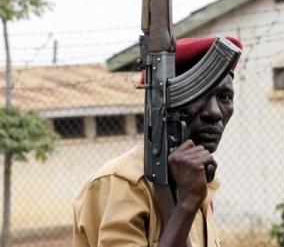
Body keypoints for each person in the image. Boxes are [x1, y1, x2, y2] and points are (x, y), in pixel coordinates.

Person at [73, 37, 243, 247]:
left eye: (225, 97)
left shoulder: (196, 182)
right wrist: (186, 206)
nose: (215, 113)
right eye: (200, 94)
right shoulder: (123, 184)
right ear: (167, 102)